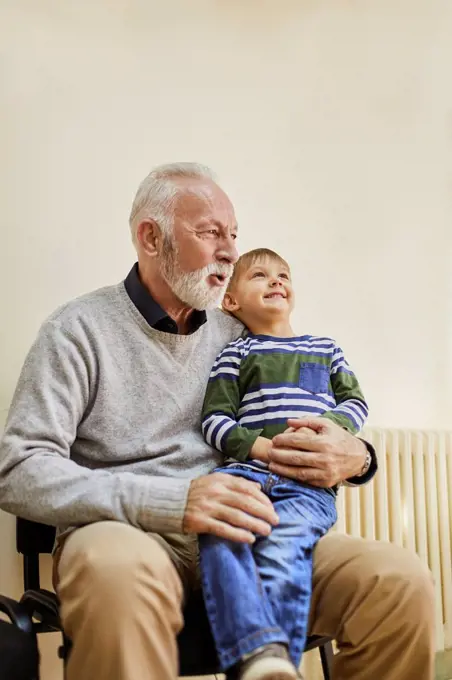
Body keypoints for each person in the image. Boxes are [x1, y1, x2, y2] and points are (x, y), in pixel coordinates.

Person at [0, 163, 435, 680]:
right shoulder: (78, 330)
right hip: (127, 532)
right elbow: (19, 469)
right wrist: (170, 502)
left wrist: (357, 456)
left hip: (254, 529)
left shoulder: (242, 333)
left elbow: (321, 416)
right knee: (116, 576)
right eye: (210, 233)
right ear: (150, 237)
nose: (230, 251)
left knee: (398, 583)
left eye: (233, 234)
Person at [199, 247, 369, 680]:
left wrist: (323, 427)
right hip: (244, 474)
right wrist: (261, 449)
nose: (276, 281)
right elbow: (215, 420)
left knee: (283, 546)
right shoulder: (234, 354)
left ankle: (271, 665)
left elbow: (354, 404)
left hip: (306, 486)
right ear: (231, 302)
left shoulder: (325, 348)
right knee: (219, 533)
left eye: (283, 275)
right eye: (260, 275)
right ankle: (258, 656)